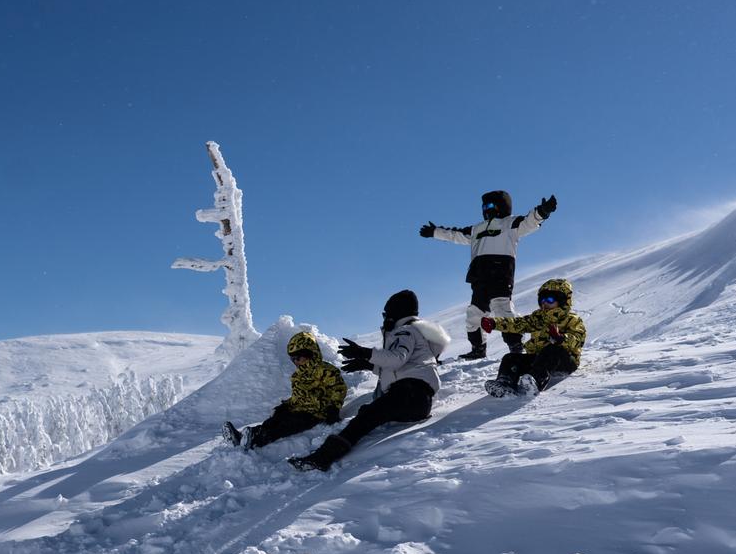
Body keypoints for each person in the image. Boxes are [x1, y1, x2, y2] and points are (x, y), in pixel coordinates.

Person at [289, 290, 448, 472]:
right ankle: (323, 456)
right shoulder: (414, 333)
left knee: (366, 417)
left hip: (409, 393)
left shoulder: (405, 332)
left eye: (386, 314)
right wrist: (366, 365)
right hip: (416, 399)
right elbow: (398, 367)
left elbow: (396, 359)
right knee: (369, 413)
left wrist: (364, 353)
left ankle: (321, 459)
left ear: (396, 313)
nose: (384, 318)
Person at [420, 190, 557, 360]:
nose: (486, 209)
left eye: (490, 205)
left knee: (502, 309)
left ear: (501, 206)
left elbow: (529, 222)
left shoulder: (510, 223)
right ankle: (478, 348)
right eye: (484, 206)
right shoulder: (476, 229)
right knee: (474, 313)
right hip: (480, 278)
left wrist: (542, 212)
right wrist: (435, 232)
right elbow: (455, 235)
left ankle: (515, 345)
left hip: (501, 274)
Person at [223, 332, 347, 450]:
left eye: (298, 358)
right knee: (275, 419)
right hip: (298, 408)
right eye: (293, 359)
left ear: (310, 353)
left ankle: (256, 441)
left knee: (286, 425)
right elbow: (299, 396)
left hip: (315, 413)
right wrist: (286, 404)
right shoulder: (298, 375)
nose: (296, 362)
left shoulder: (325, 370)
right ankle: (245, 436)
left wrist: (334, 408)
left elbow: (338, 388)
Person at [481, 278, 586, 396]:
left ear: (562, 301)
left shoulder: (572, 319)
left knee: (552, 349)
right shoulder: (538, 318)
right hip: (539, 359)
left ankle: (536, 381)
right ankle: (505, 384)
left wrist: (560, 337)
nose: (545, 303)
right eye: (542, 300)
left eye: (550, 299)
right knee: (510, 357)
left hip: (565, 361)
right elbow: (517, 324)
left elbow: (578, 339)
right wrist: (494, 323)